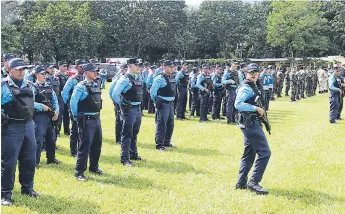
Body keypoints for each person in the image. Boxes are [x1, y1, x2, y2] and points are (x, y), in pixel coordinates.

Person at [1, 58, 40, 206]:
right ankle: (5, 194)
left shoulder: (29, 85)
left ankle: (27, 188)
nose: (21, 71)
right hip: (10, 127)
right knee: (9, 161)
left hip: (28, 126)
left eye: (23, 69)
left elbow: (31, 105)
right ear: (9, 69)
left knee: (29, 159)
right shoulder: (3, 85)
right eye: (18, 69)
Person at [234, 63, 271, 195]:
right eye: (251, 72)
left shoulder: (252, 85)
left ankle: (241, 182)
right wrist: (256, 108)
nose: (254, 74)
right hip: (250, 124)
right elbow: (238, 104)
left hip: (249, 123)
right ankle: (254, 182)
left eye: (256, 72)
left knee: (249, 153)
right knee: (265, 152)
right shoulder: (246, 88)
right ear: (246, 73)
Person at [70, 63, 104, 181]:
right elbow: (73, 102)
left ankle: (94, 167)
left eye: (96, 71)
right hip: (86, 119)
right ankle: (79, 171)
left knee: (97, 144)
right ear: (86, 73)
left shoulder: (96, 84)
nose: (96, 73)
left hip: (96, 118)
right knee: (84, 146)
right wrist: (76, 117)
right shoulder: (81, 86)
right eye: (93, 71)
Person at [112, 58, 144, 167]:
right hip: (129, 110)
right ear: (130, 65)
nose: (139, 67)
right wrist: (123, 105)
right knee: (127, 134)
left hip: (137, 108)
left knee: (134, 133)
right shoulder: (124, 79)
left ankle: (133, 154)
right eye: (136, 65)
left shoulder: (138, 77)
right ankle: (124, 158)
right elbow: (115, 93)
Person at [32, 65, 60, 168]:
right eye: (42, 74)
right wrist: (40, 106)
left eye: (45, 74)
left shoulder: (49, 86)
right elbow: (30, 102)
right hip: (39, 117)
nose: (44, 76)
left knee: (51, 138)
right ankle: (35, 161)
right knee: (38, 139)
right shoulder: (33, 87)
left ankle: (51, 159)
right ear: (36, 75)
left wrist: (56, 111)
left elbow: (54, 100)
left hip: (50, 115)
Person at [62, 59, 86, 157]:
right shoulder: (72, 79)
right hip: (75, 107)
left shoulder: (86, 78)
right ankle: (74, 151)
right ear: (76, 67)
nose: (83, 67)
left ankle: (82, 149)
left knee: (84, 129)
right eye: (81, 66)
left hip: (85, 107)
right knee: (75, 129)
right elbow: (65, 93)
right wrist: (69, 104)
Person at [150, 60, 176, 151]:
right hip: (163, 104)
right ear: (164, 67)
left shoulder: (171, 76)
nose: (172, 68)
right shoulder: (160, 78)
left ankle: (167, 141)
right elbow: (153, 91)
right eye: (170, 67)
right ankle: (159, 144)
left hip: (170, 104)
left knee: (170, 124)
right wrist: (156, 102)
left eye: (173, 66)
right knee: (161, 124)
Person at [109, 64, 128, 145]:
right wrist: (116, 101)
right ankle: (118, 139)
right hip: (119, 101)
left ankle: (124, 137)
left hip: (125, 102)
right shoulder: (118, 78)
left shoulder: (128, 78)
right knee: (119, 120)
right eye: (125, 69)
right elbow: (111, 91)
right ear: (122, 70)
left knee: (125, 120)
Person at [56, 61, 70, 135]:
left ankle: (67, 130)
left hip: (66, 97)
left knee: (67, 114)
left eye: (66, 66)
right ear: (59, 67)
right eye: (63, 66)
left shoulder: (67, 76)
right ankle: (58, 130)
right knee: (59, 114)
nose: (65, 68)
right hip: (60, 97)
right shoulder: (57, 76)